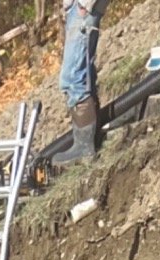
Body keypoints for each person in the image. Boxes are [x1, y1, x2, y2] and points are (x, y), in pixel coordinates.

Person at [54, 0, 107, 167]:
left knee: (73, 78)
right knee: (83, 74)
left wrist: (84, 5)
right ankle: (89, 140)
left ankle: (84, 147)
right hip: (77, 9)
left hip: (83, 8)